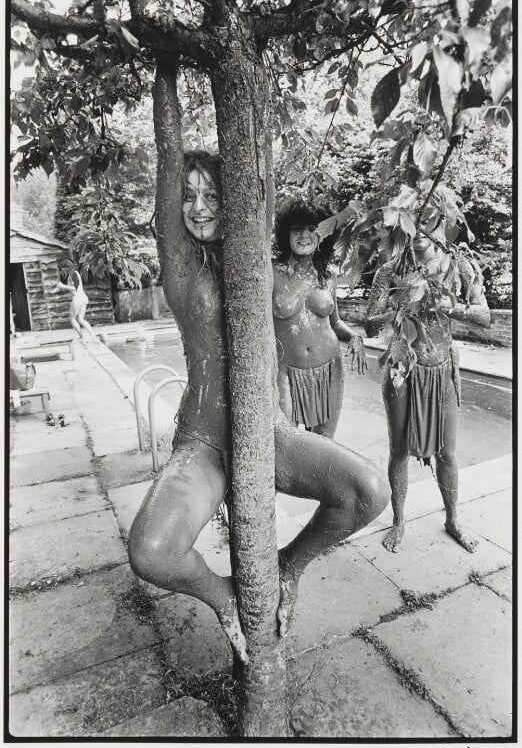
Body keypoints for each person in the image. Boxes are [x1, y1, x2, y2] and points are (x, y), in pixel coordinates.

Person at [127, 141, 389, 666]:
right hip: (203, 442)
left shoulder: (260, 265)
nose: (199, 206)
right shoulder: (182, 270)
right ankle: (223, 598)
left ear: (237, 201)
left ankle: (288, 568)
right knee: (151, 551)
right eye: (188, 196)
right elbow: (170, 196)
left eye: (212, 194)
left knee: (368, 492)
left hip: (269, 430)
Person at [365, 229, 490, 554]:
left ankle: (453, 519)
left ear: (440, 224)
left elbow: (484, 315)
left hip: (441, 370)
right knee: (400, 451)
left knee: (448, 452)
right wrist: (401, 310)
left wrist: (447, 307)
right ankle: (399, 520)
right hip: (402, 372)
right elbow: (369, 324)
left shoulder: (458, 267)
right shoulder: (390, 270)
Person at [272, 199, 367, 439]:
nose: (304, 235)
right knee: (288, 440)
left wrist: (354, 337)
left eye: (312, 229)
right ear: (287, 234)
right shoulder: (271, 273)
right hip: (286, 370)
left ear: (322, 235)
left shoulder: (328, 276)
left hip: (329, 368)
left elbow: (334, 323)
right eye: (297, 229)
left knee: (324, 442)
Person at [50, 270, 95, 340]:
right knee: (80, 319)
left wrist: (63, 286)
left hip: (77, 299)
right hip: (83, 298)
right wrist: (60, 286)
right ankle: (92, 334)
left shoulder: (73, 274)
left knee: (72, 319)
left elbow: (74, 288)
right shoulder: (74, 274)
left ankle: (82, 336)